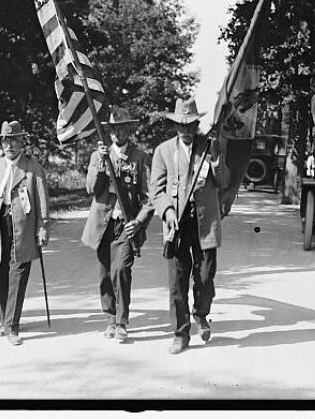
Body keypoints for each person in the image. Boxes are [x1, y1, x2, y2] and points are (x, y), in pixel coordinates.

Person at [150, 97, 230, 354]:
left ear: (197, 124)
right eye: (180, 126)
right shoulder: (163, 151)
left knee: (205, 277)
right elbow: (156, 189)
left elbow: (224, 181)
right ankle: (180, 333)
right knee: (178, 281)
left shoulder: (209, 146)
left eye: (190, 125)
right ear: (175, 126)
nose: (185, 130)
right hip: (177, 225)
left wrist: (217, 160)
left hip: (205, 224)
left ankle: (201, 313)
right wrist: (168, 210)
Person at [0, 120, 50, 346]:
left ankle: (12, 326)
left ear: (22, 142)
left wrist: (42, 229)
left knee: (18, 275)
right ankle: (6, 320)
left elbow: (42, 203)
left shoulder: (33, 168)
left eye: (14, 140)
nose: (10, 145)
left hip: (22, 229)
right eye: (6, 140)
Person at [81, 107, 155, 343]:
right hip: (103, 224)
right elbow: (91, 189)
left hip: (127, 224)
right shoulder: (98, 156)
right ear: (108, 130)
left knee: (121, 270)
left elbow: (149, 196)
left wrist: (140, 221)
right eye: (113, 128)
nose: (117, 133)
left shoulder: (141, 158)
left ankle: (122, 322)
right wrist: (101, 164)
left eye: (122, 128)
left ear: (130, 129)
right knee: (105, 273)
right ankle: (110, 319)